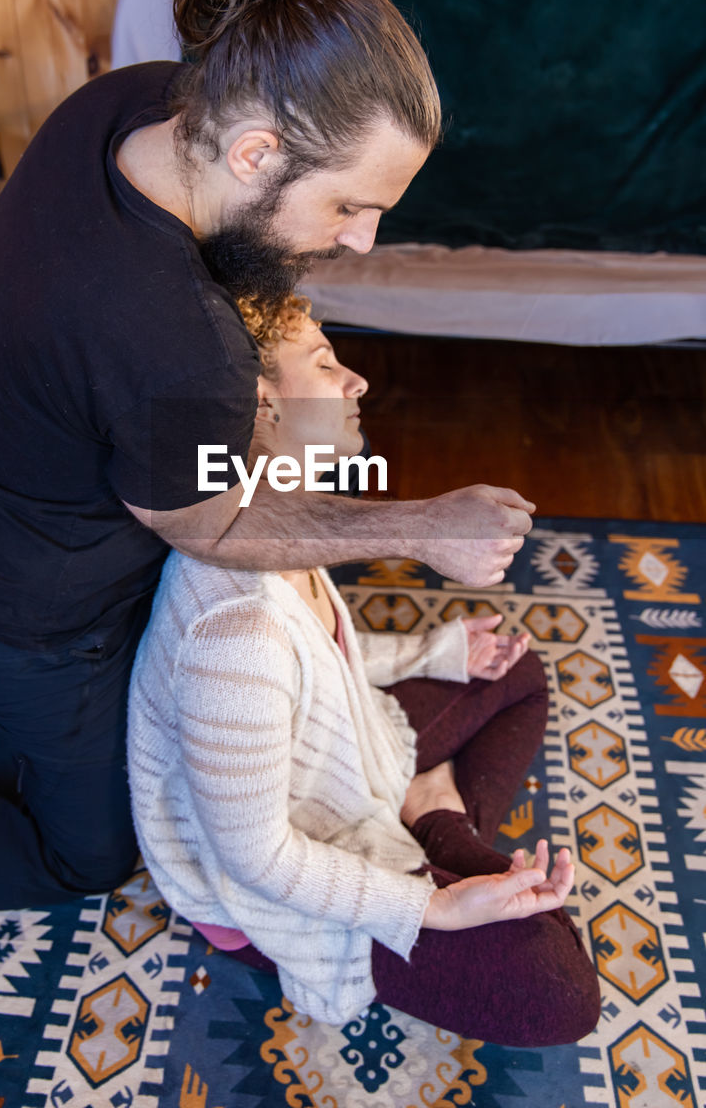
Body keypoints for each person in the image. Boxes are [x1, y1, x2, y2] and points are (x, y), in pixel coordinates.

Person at [0, 0, 535, 919]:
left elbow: (219, 342)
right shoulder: (173, 349)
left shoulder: (133, 106)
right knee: (87, 853)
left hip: (2, 501)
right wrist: (421, 522)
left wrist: (303, 410)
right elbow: (217, 524)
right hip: (35, 622)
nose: (359, 240)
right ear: (258, 152)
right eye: (348, 205)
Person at [128, 295, 600, 1046]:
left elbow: (326, 668)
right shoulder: (234, 633)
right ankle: (441, 823)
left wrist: (436, 655)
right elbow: (255, 860)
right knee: (559, 996)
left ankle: (429, 809)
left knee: (513, 673)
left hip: (353, 762)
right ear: (260, 407)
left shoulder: (278, 522)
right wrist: (432, 909)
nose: (358, 383)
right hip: (264, 889)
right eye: (325, 365)